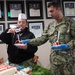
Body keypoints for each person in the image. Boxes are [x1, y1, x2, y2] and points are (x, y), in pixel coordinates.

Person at [20, 2, 75, 75]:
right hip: (54, 62)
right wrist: (28, 41)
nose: (50, 14)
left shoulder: (70, 22)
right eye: (49, 11)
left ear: (58, 9)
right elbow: (42, 39)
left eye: (52, 11)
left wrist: (67, 45)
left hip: (68, 62)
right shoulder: (50, 26)